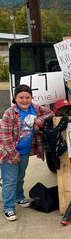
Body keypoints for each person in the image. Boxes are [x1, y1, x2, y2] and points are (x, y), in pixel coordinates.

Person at [0, 84, 54, 221]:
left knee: (20, 176)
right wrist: (13, 154)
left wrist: (38, 121)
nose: (24, 100)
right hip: (9, 152)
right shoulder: (10, 113)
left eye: (27, 97)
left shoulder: (35, 108)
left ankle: (19, 197)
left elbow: (50, 113)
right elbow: (5, 137)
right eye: (21, 97)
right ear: (15, 98)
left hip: (24, 151)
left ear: (31, 98)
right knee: (10, 180)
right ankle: (8, 207)